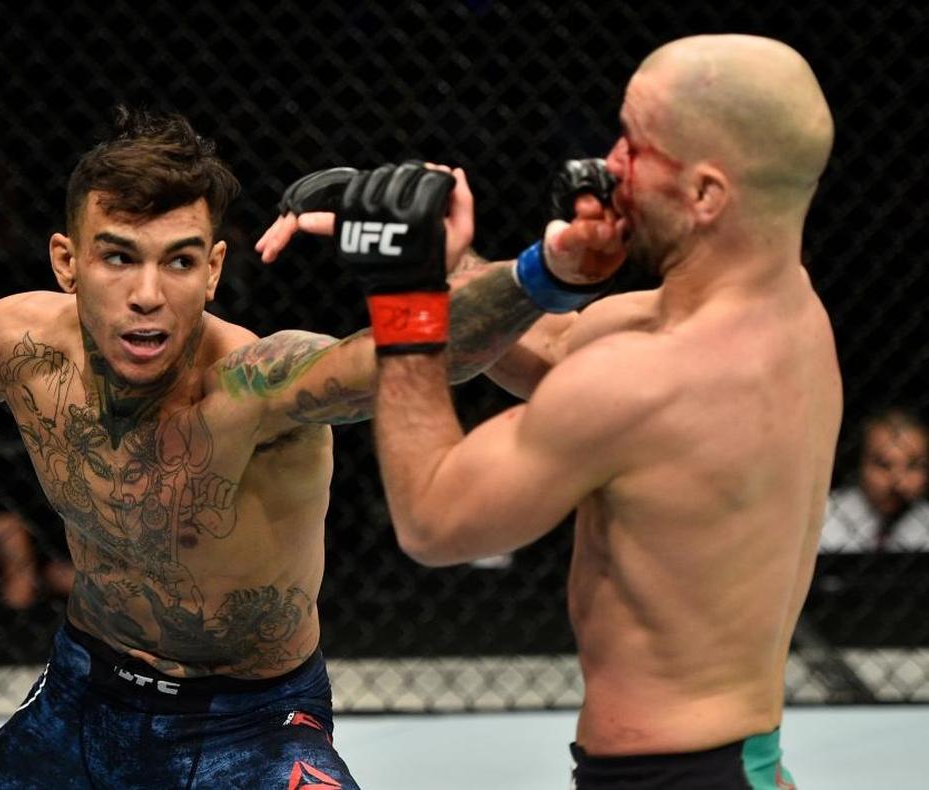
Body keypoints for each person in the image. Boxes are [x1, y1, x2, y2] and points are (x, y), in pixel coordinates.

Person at [0, 108, 546, 787]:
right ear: (68, 262)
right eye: (119, 257)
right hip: (82, 694)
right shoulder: (29, 343)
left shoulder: (257, 384)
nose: (148, 295)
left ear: (214, 270)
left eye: (179, 261)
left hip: (253, 726)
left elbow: (425, 355)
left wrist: (534, 272)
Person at [300, 34, 837, 788]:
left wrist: (405, 298)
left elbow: (433, 518)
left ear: (707, 196)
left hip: (676, 776)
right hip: (737, 760)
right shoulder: (791, 316)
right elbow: (562, 348)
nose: (607, 166)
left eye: (637, 149)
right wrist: (468, 260)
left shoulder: (652, 379)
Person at [820, 408, 929, 552]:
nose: (898, 481)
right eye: (883, 464)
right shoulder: (821, 517)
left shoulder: (925, 520)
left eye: (913, 466)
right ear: (859, 463)